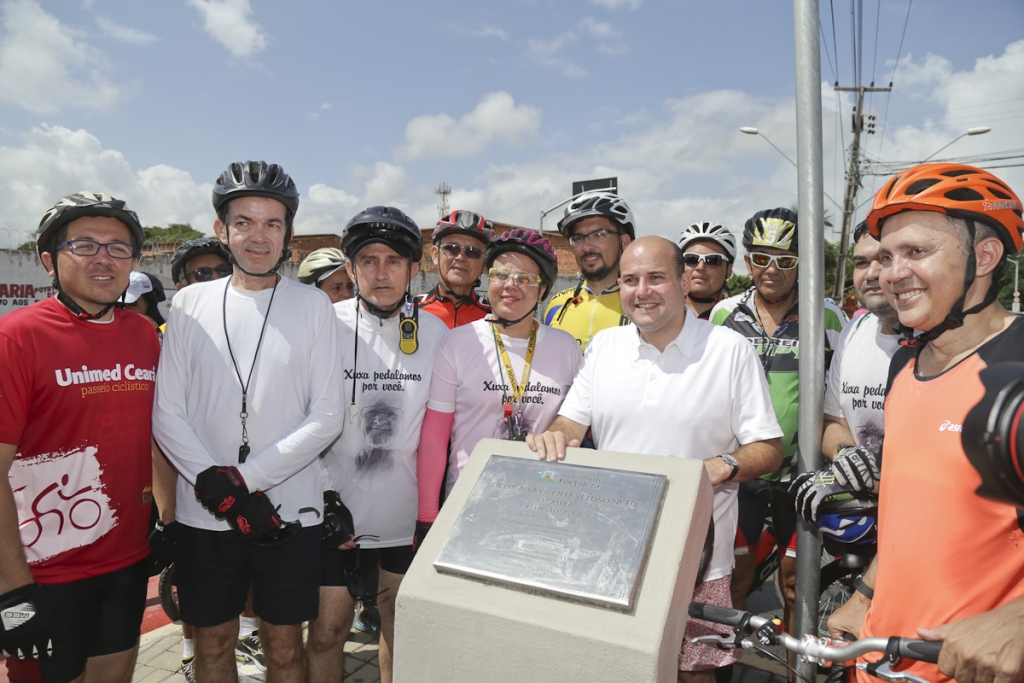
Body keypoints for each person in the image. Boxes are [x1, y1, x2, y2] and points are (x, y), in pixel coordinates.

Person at [528, 236, 783, 683]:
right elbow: (570, 425)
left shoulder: (729, 349)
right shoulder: (605, 346)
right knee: (619, 665)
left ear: (684, 281)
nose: (642, 290)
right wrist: (552, 438)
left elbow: (769, 449)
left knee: (697, 672)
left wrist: (718, 467)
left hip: (702, 557)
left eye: (656, 278)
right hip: (613, 551)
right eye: (630, 280)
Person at [821, 163, 1024, 683]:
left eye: (916, 252)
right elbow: (910, 515)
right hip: (882, 654)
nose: (890, 273)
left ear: (985, 256)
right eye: (886, 257)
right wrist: (865, 597)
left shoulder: (1018, 366)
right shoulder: (904, 364)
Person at [153, 160, 343, 683]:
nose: (259, 237)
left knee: (284, 649)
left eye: (273, 224)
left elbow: (328, 417)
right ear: (222, 230)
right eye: (244, 223)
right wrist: (217, 486)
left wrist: (244, 483)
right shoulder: (189, 303)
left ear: (288, 234)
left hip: (285, 514)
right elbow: (166, 411)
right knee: (212, 645)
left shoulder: (313, 306)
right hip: (204, 513)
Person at [0, 192, 160, 683]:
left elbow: (157, 439)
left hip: (128, 559)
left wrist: (168, 524)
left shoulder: (145, 334)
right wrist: (12, 590)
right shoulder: (16, 337)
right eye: (84, 245)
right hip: (44, 573)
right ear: (49, 259)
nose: (103, 259)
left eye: (118, 248)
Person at [308, 206, 448, 683]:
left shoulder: (436, 332)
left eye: (394, 260)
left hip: (402, 511)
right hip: (333, 510)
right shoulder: (324, 323)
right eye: (368, 260)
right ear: (350, 268)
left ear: (414, 268)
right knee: (328, 631)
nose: (381, 272)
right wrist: (322, 496)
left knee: (398, 629)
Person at [709, 207, 846, 628]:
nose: (772, 269)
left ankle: (793, 668)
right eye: (761, 258)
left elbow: (838, 399)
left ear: (802, 263)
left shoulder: (828, 317)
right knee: (736, 581)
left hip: (800, 472)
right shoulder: (723, 314)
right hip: (742, 471)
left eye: (786, 260)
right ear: (747, 261)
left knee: (795, 586)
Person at [415, 229, 582, 540]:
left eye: (524, 278)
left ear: (543, 289)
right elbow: (435, 437)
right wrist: (427, 516)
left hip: (543, 509)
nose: (510, 286)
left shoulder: (566, 347)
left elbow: (579, 426)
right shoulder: (456, 344)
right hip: (468, 506)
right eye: (501, 274)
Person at [157, 236, 261, 682]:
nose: (216, 281)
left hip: (256, 497)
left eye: (223, 271)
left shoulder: (259, 328)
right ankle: (187, 650)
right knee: (207, 624)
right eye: (202, 274)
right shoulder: (167, 337)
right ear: (180, 285)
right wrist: (167, 513)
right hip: (197, 505)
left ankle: (246, 639)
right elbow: (160, 428)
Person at [544, 192, 635, 351]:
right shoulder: (557, 305)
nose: (586, 246)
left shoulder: (642, 303)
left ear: (624, 241)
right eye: (578, 238)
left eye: (599, 234)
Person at [417, 210, 494, 328]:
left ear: (485, 265)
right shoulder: (410, 310)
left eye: (473, 252)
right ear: (435, 255)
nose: (460, 257)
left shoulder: (494, 317)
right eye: (451, 248)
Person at [678, 222, 737, 319]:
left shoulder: (741, 320)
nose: (700, 267)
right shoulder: (659, 313)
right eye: (691, 259)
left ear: (728, 270)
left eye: (713, 260)